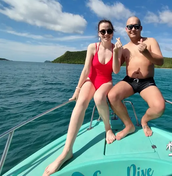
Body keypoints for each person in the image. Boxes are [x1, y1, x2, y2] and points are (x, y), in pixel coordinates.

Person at [43, 20, 123, 176]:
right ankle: (67, 151)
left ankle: (108, 128)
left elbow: (116, 71)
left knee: (99, 98)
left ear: (113, 32)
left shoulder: (117, 49)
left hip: (106, 81)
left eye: (109, 31)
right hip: (91, 80)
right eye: (103, 31)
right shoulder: (93, 47)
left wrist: (117, 52)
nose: (106, 34)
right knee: (80, 103)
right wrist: (77, 89)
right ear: (99, 33)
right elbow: (86, 69)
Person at [108, 16, 165, 140]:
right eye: (130, 27)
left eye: (136, 26)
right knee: (112, 96)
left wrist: (146, 52)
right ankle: (129, 126)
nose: (133, 29)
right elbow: (116, 70)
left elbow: (161, 61)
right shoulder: (125, 48)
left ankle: (144, 121)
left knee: (159, 107)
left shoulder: (150, 41)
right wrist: (116, 52)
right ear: (126, 29)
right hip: (130, 81)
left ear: (141, 28)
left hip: (147, 82)